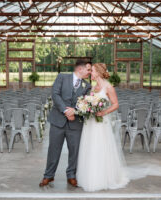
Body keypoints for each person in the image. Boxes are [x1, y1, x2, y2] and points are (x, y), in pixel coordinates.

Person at [76, 63, 130, 192]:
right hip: (90, 123)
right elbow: (89, 103)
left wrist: (103, 112)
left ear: (98, 72)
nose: (90, 73)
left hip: (101, 123)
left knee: (100, 147)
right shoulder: (93, 87)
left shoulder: (108, 87)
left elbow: (115, 104)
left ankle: (103, 178)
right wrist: (86, 108)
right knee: (89, 148)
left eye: (92, 71)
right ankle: (88, 177)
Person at [39, 59, 92, 187]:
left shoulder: (87, 86)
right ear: (80, 69)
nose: (90, 73)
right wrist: (65, 111)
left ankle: (71, 175)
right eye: (88, 69)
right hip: (58, 121)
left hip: (76, 123)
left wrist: (75, 111)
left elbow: (86, 104)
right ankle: (48, 175)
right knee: (53, 149)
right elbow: (55, 95)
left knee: (74, 151)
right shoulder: (62, 77)